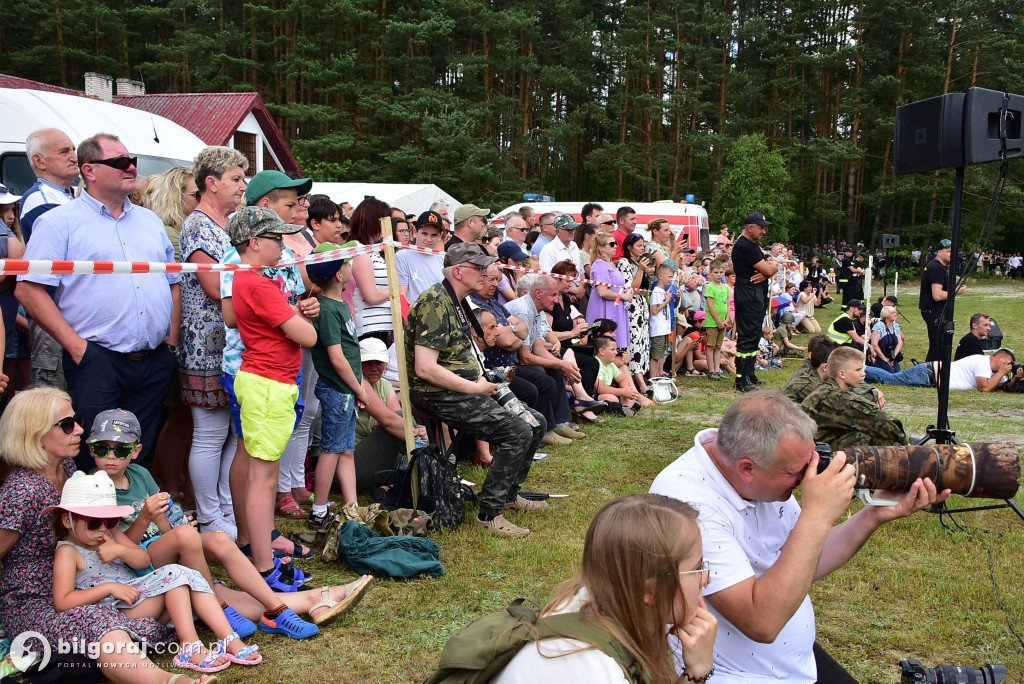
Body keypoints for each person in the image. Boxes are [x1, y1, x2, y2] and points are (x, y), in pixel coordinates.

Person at [650, 391, 949, 684]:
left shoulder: (760, 471)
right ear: (747, 469)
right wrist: (816, 516)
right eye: (797, 470)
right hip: (737, 674)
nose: (808, 474)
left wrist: (873, 516)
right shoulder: (688, 504)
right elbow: (761, 622)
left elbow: (802, 560)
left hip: (793, 665)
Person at [0, 388, 206, 684]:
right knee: (98, 620)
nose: (81, 430)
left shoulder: (68, 469)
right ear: (35, 434)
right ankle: (165, 680)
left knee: (178, 583)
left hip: (91, 576)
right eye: (68, 424)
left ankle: (289, 603)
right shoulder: (21, 492)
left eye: (77, 419)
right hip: (41, 600)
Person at [17, 133, 180, 471]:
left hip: (153, 360)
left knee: (139, 452)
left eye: (131, 159)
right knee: (95, 454)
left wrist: (170, 343)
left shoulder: (150, 222)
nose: (131, 167)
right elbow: (28, 289)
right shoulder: (59, 222)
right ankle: (92, 521)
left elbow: (172, 281)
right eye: (119, 161)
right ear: (89, 170)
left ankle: (136, 519)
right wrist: (77, 348)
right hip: (97, 359)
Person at [49, 470, 261, 675]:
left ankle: (229, 639)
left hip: (141, 597)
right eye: (94, 523)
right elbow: (63, 601)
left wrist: (120, 550)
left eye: (110, 521)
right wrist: (109, 588)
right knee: (175, 577)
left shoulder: (109, 534)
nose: (103, 528)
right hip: (118, 611)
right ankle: (190, 647)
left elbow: (144, 560)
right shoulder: (69, 552)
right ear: (68, 521)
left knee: (185, 574)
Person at [492, 494, 717, 683]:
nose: (705, 578)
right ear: (650, 591)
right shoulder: (595, 672)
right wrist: (698, 671)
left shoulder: (606, 600)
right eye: (697, 568)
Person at [406, 242, 547, 538]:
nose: (485, 274)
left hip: (465, 388)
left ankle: (508, 495)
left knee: (536, 423)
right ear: (458, 272)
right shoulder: (435, 301)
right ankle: (489, 513)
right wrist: (475, 388)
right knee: (517, 431)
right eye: (479, 268)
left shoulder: (456, 300)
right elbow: (425, 368)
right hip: (436, 393)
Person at [225, 206, 317, 588]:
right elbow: (308, 337)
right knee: (263, 480)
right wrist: (305, 317)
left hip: (264, 381)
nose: (284, 246)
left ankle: (260, 553)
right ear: (255, 242)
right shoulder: (258, 282)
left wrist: (293, 312)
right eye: (277, 239)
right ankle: (264, 565)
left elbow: (238, 319)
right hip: (268, 385)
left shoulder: (250, 279)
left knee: (259, 473)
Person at [176, 147, 249, 536]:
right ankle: (208, 519)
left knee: (231, 435)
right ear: (212, 182)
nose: (243, 186)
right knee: (209, 434)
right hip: (205, 345)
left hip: (231, 345)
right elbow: (211, 284)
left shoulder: (226, 226)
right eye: (236, 178)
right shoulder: (198, 226)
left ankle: (225, 510)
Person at [306, 241, 367, 529]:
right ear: (339, 275)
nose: (350, 264)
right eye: (345, 262)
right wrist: (359, 388)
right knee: (331, 449)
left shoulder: (339, 303)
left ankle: (352, 505)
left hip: (346, 391)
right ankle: (319, 511)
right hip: (339, 391)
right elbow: (337, 357)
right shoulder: (328, 309)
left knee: (345, 449)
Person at [505, 274, 586, 446]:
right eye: (553, 295)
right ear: (538, 293)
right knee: (543, 378)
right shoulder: (523, 310)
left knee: (555, 371)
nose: (557, 301)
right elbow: (524, 357)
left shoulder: (536, 309)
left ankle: (557, 423)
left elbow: (538, 345)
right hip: (509, 364)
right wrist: (560, 363)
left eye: (557, 295)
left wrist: (562, 364)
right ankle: (544, 429)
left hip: (519, 360)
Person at [800, 347, 907, 450]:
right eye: (858, 370)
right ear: (842, 374)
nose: (863, 374)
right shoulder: (837, 397)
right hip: (814, 453)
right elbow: (883, 422)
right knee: (866, 438)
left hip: (814, 447)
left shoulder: (828, 389)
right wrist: (906, 442)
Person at [731, 212, 774, 392]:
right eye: (760, 227)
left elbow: (771, 267)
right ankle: (741, 378)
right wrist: (770, 270)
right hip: (748, 293)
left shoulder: (753, 244)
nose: (763, 231)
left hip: (755, 293)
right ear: (750, 227)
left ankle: (749, 372)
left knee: (754, 333)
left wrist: (772, 268)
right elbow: (768, 268)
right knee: (748, 334)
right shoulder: (744, 245)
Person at [348, 197, 396, 344]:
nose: (388, 226)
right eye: (384, 221)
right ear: (373, 221)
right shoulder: (359, 250)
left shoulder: (372, 250)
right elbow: (372, 295)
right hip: (369, 330)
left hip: (380, 326)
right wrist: (397, 290)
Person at [865, 348, 1023, 391]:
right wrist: (1002, 373)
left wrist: (1015, 378)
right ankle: (861, 368)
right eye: (1008, 363)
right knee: (891, 380)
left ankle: (862, 374)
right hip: (929, 373)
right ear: (1000, 358)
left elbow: (1003, 387)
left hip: (932, 378)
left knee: (892, 379)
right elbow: (985, 387)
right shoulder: (982, 362)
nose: (1008, 367)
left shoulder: (998, 373)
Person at [617, 233, 655, 393]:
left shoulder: (639, 264)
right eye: (639, 246)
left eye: (643, 246)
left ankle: (641, 377)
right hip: (631, 308)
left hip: (641, 306)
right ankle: (640, 383)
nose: (642, 249)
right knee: (635, 343)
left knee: (643, 343)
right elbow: (631, 288)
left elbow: (644, 289)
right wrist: (640, 270)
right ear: (629, 247)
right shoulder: (624, 263)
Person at [920, 239, 966, 363]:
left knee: (939, 345)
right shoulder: (937, 268)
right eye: (949, 251)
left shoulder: (938, 266)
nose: (952, 254)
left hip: (934, 310)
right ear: (939, 252)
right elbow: (937, 295)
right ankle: (930, 373)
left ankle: (934, 372)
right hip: (933, 311)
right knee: (937, 347)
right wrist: (956, 292)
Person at [586, 233, 630, 350]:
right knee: (607, 346)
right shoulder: (600, 264)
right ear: (601, 247)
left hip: (615, 308)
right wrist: (622, 296)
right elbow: (602, 292)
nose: (615, 246)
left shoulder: (609, 264)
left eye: (615, 243)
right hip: (605, 309)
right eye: (611, 244)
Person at [397, 210, 446, 305]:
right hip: (414, 317)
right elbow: (401, 295)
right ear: (415, 232)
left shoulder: (443, 258)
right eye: (424, 233)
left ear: (440, 236)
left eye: (434, 235)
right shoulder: (402, 256)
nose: (429, 239)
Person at [703, 261, 729, 380]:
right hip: (713, 322)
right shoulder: (710, 287)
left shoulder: (725, 287)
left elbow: (727, 305)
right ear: (711, 273)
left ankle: (717, 370)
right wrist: (718, 321)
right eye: (716, 272)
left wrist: (727, 319)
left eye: (721, 272)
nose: (719, 275)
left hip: (723, 322)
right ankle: (711, 370)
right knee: (711, 346)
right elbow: (711, 306)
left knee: (718, 346)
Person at [649, 264, 674, 378]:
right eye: (669, 276)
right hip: (658, 329)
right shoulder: (657, 291)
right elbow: (654, 310)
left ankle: (659, 373)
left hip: (664, 328)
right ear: (660, 276)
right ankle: (653, 378)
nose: (671, 279)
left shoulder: (663, 291)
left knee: (661, 353)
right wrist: (666, 301)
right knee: (655, 355)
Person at [869, 305, 903, 372]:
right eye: (892, 313)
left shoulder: (895, 325)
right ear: (886, 314)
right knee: (889, 373)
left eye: (895, 313)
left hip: (891, 355)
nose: (895, 314)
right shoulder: (879, 326)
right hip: (879, 356)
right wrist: (885, 359)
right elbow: (874, 344)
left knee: (897, 372)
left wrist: (893, 357)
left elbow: (900, 342)